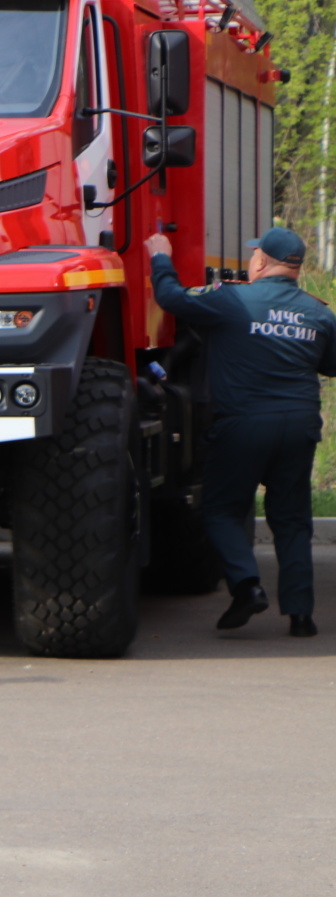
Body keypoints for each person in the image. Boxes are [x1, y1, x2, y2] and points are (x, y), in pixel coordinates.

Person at [145, 225, 336, 637]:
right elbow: (331, 365)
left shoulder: (231, 300)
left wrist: (161, 257)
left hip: (243, 424)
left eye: (254, 255)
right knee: (292, 520)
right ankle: (301, 616)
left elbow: (171, 298)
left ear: (262, 261)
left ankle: (248, 586)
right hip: (299, 426)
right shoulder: (319, 312)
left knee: (222, 510)